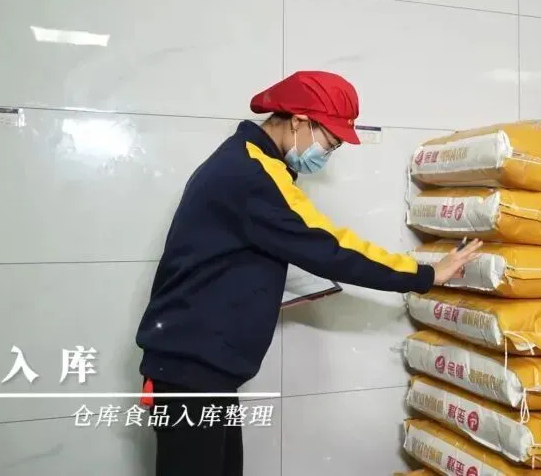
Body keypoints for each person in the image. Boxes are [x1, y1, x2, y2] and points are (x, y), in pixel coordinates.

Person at [133, 71, 482, 476]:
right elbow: (331, 247)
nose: (326, 154)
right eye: (330, 143)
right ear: (299, 121)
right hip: (190, 372)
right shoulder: (252, 174)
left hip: (199, 366)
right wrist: (424, 274)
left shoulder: (245, 161)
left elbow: (241, 254)